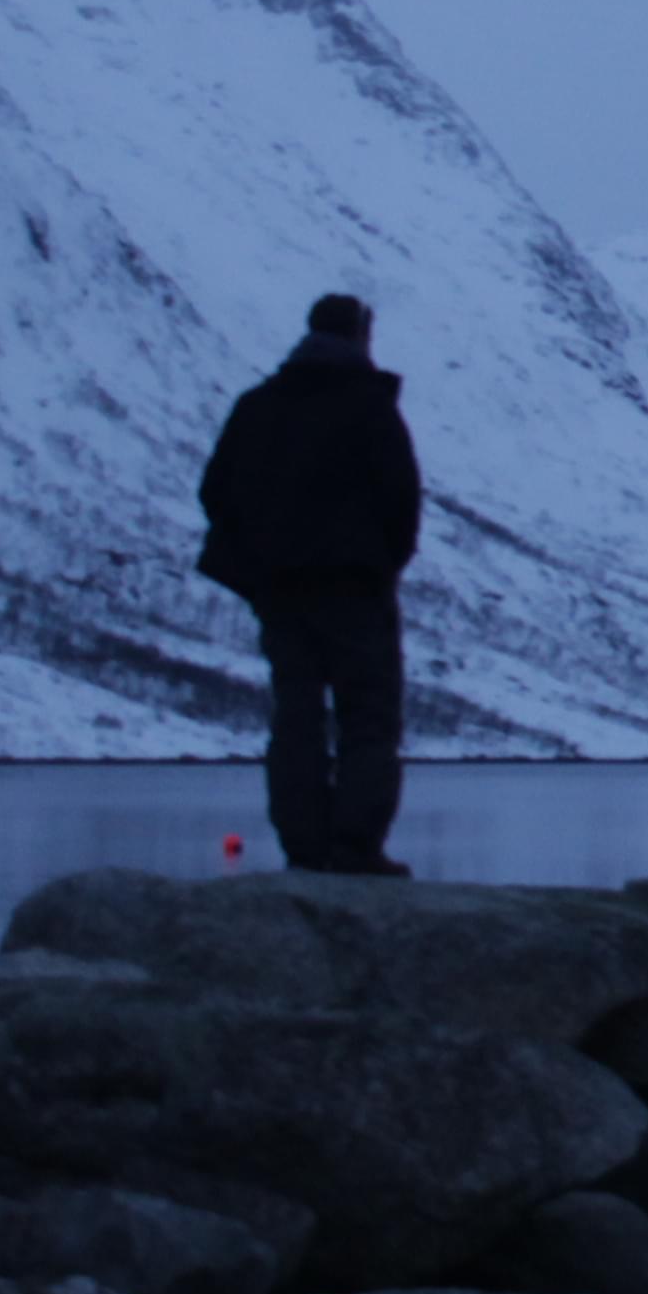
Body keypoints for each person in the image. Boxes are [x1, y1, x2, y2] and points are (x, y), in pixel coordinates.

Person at [196, 292, 423, 875]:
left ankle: (304, 847)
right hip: (354, 587)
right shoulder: (370, 409)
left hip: (280, 590)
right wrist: (380, 564)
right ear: (361, 335)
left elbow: (215, 491)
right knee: (368, 715)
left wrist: (259, 562)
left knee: (295, 715)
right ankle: (354, 846)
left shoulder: (259, 406)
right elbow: (402, 502)